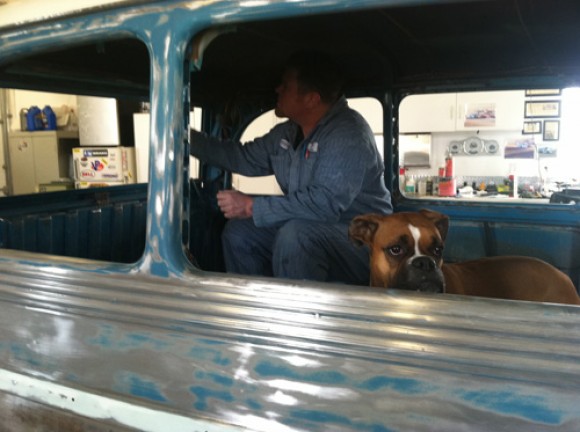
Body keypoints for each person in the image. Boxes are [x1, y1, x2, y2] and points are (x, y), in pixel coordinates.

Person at [190, 50, 392, 284]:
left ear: (311, 99)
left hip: (364, 242)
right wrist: (186, 138)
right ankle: (255, 303)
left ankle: (296, 308)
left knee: (296, 236)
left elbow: (323, 204)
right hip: (311, 227)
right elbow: (242, 157)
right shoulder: (287, 132)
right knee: (240, 233)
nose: (278, 89)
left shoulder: (348, 134)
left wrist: (251, 206)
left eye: (285, 86)